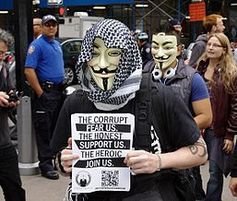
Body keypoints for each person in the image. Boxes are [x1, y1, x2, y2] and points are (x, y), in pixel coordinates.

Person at [50, 19, 207, 201]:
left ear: (128, 56)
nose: (102, 64)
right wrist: (64, 162)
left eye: (113, 53)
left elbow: (200, 151)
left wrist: (158, 161)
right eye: (94, 53)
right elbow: (58, 158)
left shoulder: (158, 96)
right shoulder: (76, 102)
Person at [144, 32, 212, 201]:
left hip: (183, 157)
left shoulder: (193, 79)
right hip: (149, 157)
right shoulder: (143, 73)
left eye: (167, 47)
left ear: (179, 49)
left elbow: (206, 116)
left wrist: (176, 131)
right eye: (155, 46)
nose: (160, 52)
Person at [196, 32, 237, 201]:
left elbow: (235, 107)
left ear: (225, 49)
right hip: (197, 127)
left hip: (217, 130)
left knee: (214, 171)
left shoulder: (231, 73)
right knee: (191, 168)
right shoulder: (199, 68)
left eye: (216, 45)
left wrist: (230, 134)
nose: (211, 48)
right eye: (209, 44)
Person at [24, 14, 65, 180]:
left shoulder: (57, 44)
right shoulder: (37, 45)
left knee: (56, 128)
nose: (50, 27)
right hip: (45, 92)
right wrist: (41, 93)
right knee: (44, 130)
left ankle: (53, 160)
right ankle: (46, 165)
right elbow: (28, 70)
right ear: (41, 27)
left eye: (53, 24)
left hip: (57, 91)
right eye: (47, 24)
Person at [0, 28, 26, 200]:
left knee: (15, 190)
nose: (0, 56)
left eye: (3, 53)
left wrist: (11, 100)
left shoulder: (3, 68)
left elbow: (10, 90)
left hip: (3, 142)